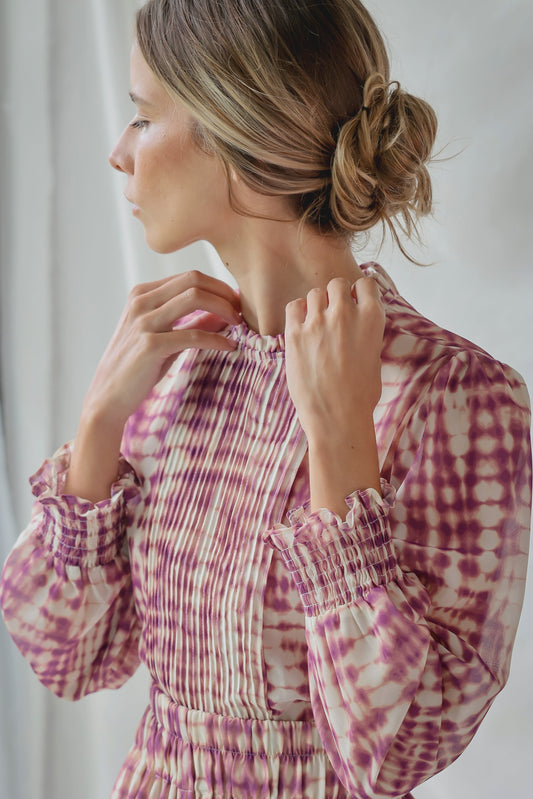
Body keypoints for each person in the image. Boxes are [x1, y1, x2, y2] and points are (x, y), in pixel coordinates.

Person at [0, 0, 531, 797]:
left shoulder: (457, 397)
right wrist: (98, 425)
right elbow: (68, 658)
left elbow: (391, 755)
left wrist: (341, 456)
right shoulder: (178, 365)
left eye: (144, 118)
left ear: (235, 131)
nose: (119, 152)